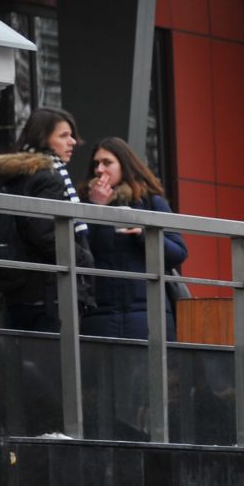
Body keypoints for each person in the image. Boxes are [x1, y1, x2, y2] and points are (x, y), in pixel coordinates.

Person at [0, 106, 94, 331]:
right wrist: (83, 258)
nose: (73, 142)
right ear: (43, 139)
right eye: (64, 136)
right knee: (55, 363)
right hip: (48, 293)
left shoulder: (12, 175)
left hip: (16, 293)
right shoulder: (48, 177)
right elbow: (45, 233)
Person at [74, 138, 187, 340]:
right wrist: (95, 208)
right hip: (99, 316)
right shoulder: (83, 203)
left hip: (148, 317)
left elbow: (178, 253)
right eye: (96, 164)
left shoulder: (150, 201)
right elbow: (75, 250)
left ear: (124, 166)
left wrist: (143, 234)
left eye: (107, 163)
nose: (99, 169)